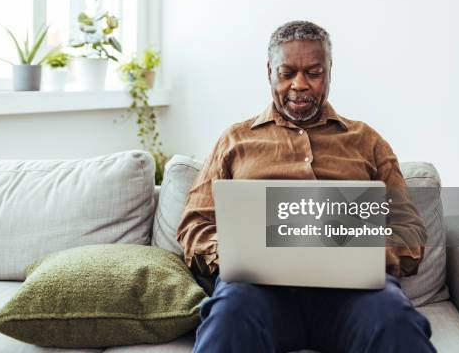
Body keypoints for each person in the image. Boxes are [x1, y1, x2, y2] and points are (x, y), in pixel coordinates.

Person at [176, 20, 435, 352]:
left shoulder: (367, 142)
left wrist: (362, 255)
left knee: (395, 318)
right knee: (229, 313)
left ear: (329, 72)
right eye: (287, 74)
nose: (300, 85)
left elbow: (409, 231)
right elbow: (194, 225)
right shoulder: (234, 141)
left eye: (313, 73)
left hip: (351, 296)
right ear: (270, 71)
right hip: (258, 293)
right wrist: (233, 253)